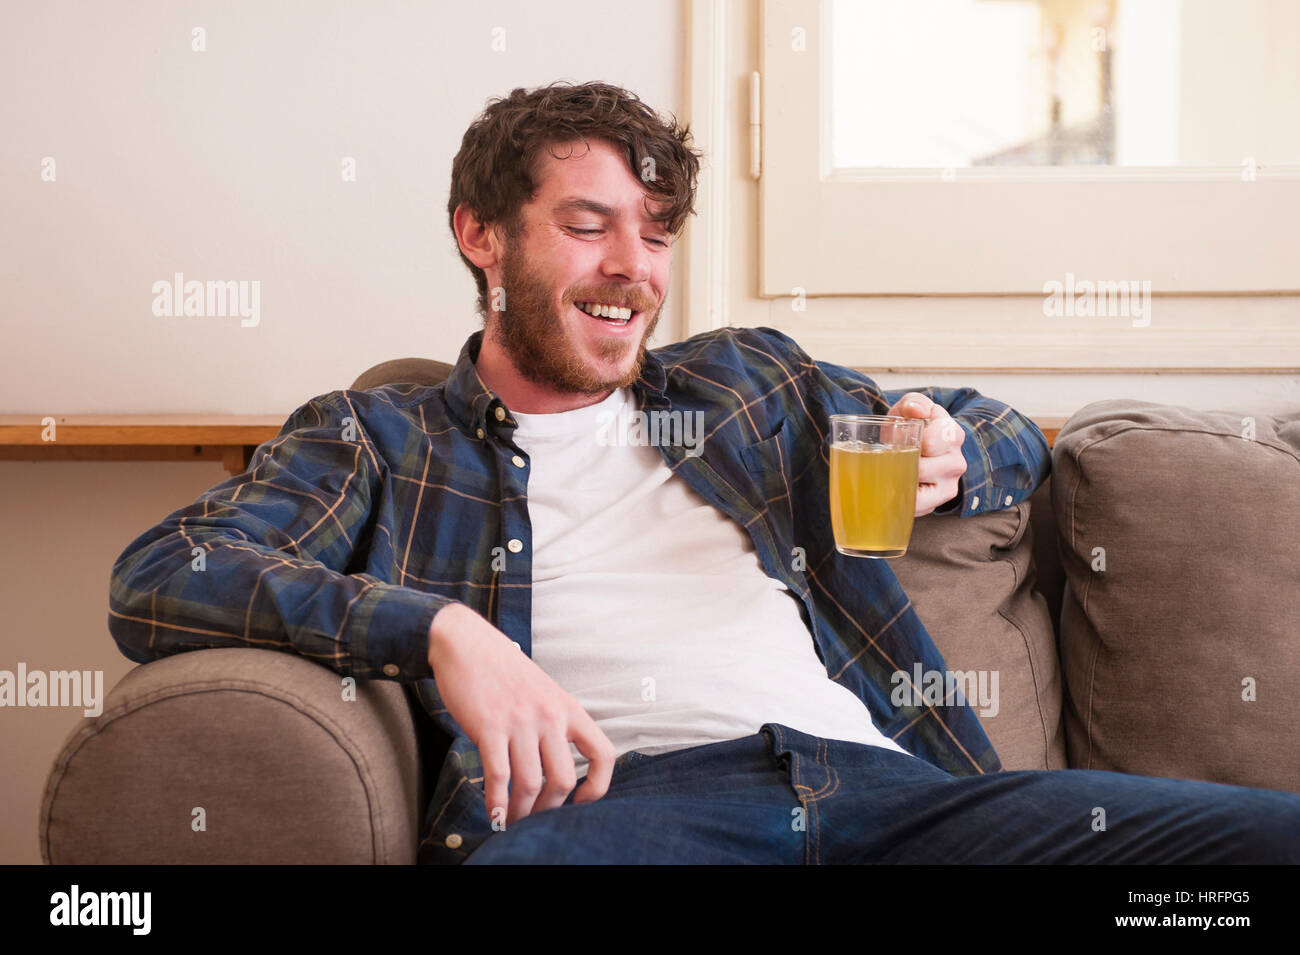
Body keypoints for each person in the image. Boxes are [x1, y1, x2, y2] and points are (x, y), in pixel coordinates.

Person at [109, 81, 1300, 864]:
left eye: (657, 233)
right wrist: (439, 633)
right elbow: (166, 572)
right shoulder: (380, 436)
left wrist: (954, 442)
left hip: (892, 798)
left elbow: (999, 433)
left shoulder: (749, 385)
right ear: (481, 233)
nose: (632, 267)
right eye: (588, 226)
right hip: (628, 816)